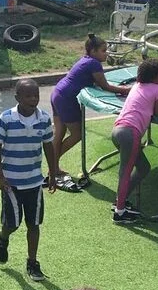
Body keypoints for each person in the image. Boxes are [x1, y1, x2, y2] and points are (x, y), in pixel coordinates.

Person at [0, 78, 61, 282]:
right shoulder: (6, 119)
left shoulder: (44, 119)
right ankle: (3, 238)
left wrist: (53, 173)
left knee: (34, 224)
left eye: (36, 95)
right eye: (28, 96)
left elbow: (48, 146)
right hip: (11, 184)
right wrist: (0, 177)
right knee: (13, 224)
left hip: (34, 182)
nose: (33, 99)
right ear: (17, 98)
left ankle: (32, 262)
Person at [50, 34, 132, 191]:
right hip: (67, 98)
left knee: (59, 133)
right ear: (93, 51)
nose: (106, 54)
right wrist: (126, 90)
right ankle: (53, 165)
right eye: (103, 50)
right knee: (77, 134)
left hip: (58, 93)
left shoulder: (86, 60)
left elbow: (98, 82)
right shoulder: (94, 63)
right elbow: (105, 86)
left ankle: (53, 168)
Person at [109, 58, 158, 225]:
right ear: (154, 76)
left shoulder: (136, 86)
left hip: (117, 130)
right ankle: (119, 212)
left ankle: (120, 201)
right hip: (130, 134)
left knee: (144, 167)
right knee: (125, 171)